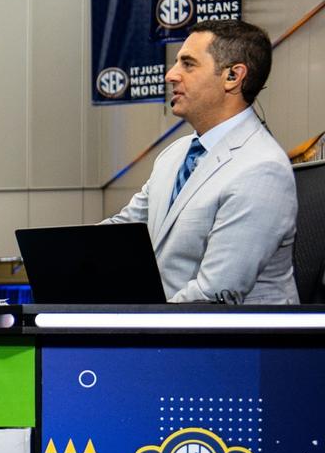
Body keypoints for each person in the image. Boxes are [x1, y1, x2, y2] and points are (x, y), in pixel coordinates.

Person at [101, 20, 297, 304]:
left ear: (233, 76)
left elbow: (214, 294)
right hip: (166, 333)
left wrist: (134, 323)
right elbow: (125, 231)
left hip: (233, 344)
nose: (171, 75)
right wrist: (60, 254)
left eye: (188, 64)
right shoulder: (175, 154)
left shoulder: (262, 169)